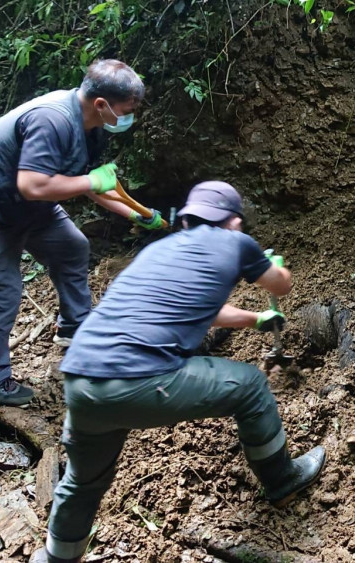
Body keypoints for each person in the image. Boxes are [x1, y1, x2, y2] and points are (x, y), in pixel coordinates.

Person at [37, 181, 326, 563]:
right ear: (234, 221)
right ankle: (282, 480)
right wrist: (275, 266)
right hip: (139, 380)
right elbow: (281, 285)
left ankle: (56, 557)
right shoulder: (237, 242)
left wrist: (256, 319)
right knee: (253, 386)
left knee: (83, 482)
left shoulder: (160, 251)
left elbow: (204, 311)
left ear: (188, 218)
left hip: (81, 379)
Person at [0, 59, 163, 407]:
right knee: (2, 294)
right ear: (101, 104)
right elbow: (33, 184)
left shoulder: (94, 126)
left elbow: (94, 185)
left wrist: (139, 215)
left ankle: (74, 328)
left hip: (24, 205)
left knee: (72, 247)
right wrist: (91, 181)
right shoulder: (52, 119)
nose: (131, 116)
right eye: (127, 109)